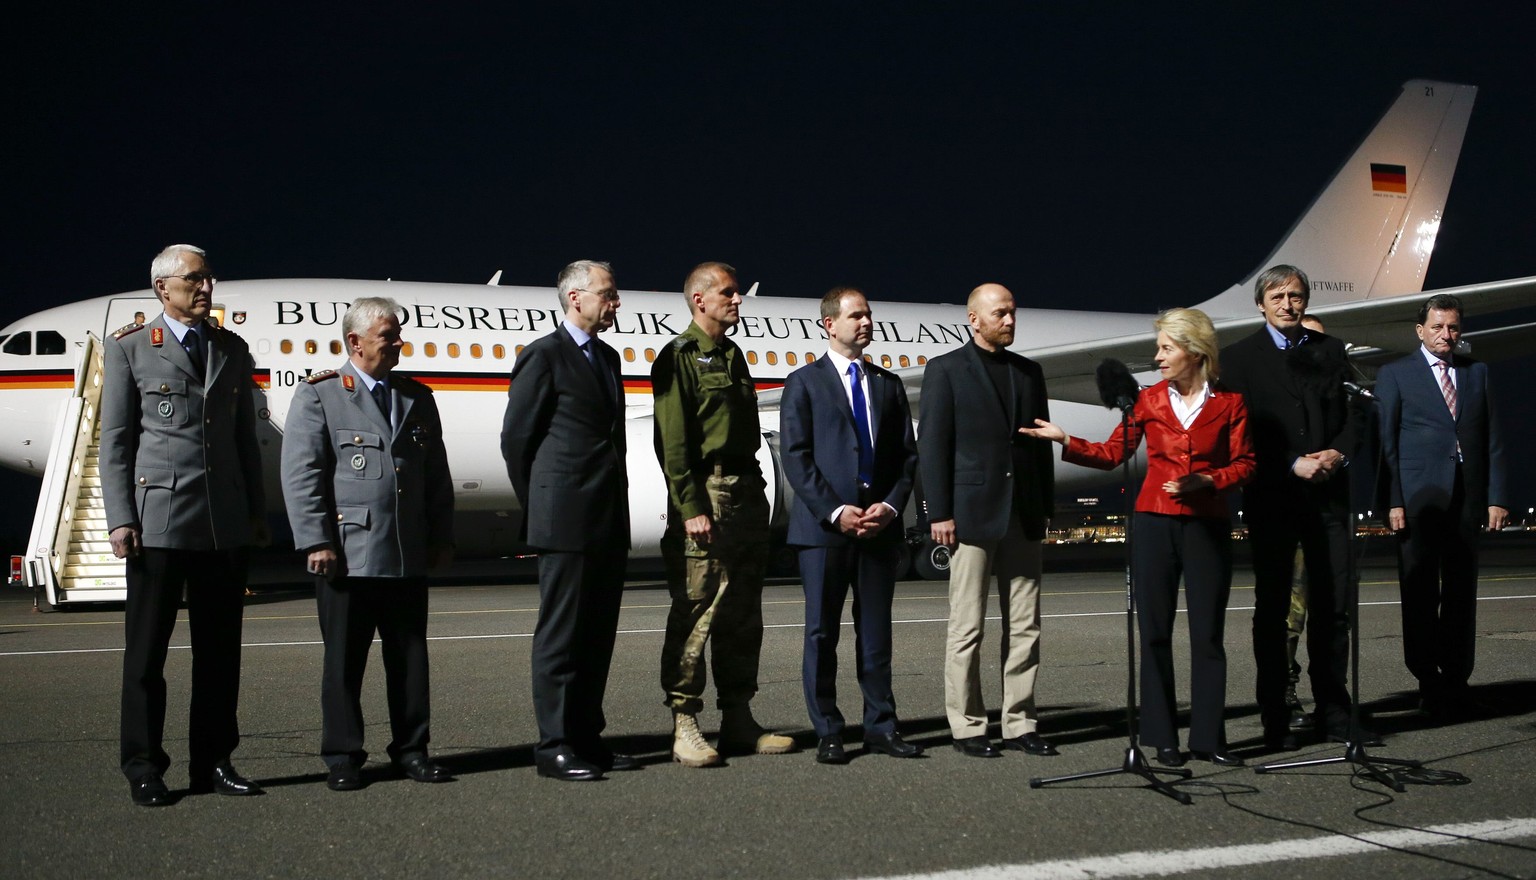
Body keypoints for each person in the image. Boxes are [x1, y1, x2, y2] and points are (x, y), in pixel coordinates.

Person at [1023, 308, 1254, 766]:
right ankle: (1162, 738)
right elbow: (1113, 454)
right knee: (1154, 634)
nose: (1158, 357)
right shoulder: (1148, 400)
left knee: (1208, 635)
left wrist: (1208, 481)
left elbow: (1245, 463)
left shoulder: (1231, 403)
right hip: (1153, 523)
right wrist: (1064, 439)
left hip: (1206, 524)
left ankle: (1209, 738)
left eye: (1166, 348)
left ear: (1194, 351)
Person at [101, 244, 266, 806]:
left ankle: (213, 762)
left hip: (223, 524)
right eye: (194, 280)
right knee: (146, 655)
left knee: (221, 656)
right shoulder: (128, 350)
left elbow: (246, 439)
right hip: (159, 525)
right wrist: (120, 517)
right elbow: (116, 443)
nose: (206, 288)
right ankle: (144, 766)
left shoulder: (231, 348)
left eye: (208, 278)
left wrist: (255, 513)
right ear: (162, 290)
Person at [280, 296, 455, 791]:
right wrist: (316, 540)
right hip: (347, 555)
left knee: (409, 659)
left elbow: (435, 477)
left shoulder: (417, 397)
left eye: (398, 334)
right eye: (388, 336)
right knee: (343, 663)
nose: (399, 342)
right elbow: (303, 475)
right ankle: (342, 757)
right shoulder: (320, 396)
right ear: (355, 342)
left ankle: (412, 750)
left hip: (404, 552)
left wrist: (441, 537)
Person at [651, 261, 794, 767]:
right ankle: (684, 722)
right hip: (707, 492)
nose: (738, 301)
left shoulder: (732, 355)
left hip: (746, 487)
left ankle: (738, 717)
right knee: (697, 607)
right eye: (728, 293)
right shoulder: (679, 357)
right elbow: (671, 444)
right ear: (699, 300)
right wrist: (690, 507)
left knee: (743, 612)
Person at [1220, 265, 1367, 750]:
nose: (1288, 303)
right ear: (1260, 303)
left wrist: (1338, 453)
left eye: (1297, 295)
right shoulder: (1239, 359)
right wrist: (1289, 464)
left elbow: (1351, 417)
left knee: (1334, 608)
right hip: (1275, 500)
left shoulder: (1330, 350)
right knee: (1273, 610)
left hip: (1328, 498)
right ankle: (1276, 715)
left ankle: (1334, 710)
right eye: (1278, 295)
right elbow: (1236, 434)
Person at [501, 260, 635, 781]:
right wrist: (543, 506)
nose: (615, 303)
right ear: (576, 298)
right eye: (608, 293)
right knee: (561, 636)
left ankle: (587, 738)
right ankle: (553, 744)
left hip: (605, 517)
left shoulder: (608, 358)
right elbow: (518, 441)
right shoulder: (544, 356)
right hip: (564, 519)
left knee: (597, 635)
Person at [781, 286, 922, 764]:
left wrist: (890, 506)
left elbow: (907, 458)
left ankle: (881, 726)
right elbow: (796, 460)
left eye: (868, 315)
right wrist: (837, 511)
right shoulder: (803, 383)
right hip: (824, 531)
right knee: (822, 633)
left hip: (879, 528)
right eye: (856, 316)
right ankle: (828, 730)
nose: (865, 322)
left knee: (876, 632)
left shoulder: (888, 384)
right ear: (829, 325)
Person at [918, 283, 1057, 758]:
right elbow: (932, 446)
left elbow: (1039, 449)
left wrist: (1045, 509)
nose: (1010, 321)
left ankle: (1020, 722)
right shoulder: (946, 371)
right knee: (967, 627)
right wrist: (938, 511)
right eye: (1000, 313)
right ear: (973, 319)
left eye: (1013, 313)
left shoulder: (1029, 373)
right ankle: (969, 726)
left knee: (1026, 626)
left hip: (1023, 513)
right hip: (971, 514)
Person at [1376, 293, 1508, 719]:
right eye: (1437, 327)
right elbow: (1386, 445)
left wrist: (1496, 496)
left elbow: (1493, 439)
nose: (1445, 335)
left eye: (1452, 327)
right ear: (1420, 330)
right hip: (1418, 501)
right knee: (1418, 594)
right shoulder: (1395, 374)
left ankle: (1457, 680)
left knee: (1460, 595)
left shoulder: (1477, 372)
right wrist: (1392, 499)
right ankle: (1426, 680)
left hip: (1467, 501)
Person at [1281, 312, 1330, 732]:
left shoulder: (1337, 392)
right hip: (1291, 518)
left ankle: (1333, 700)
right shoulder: (1278, 394)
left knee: (1335, 615)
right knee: (1290, 616)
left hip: (1331, 516)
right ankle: (1287, 694)